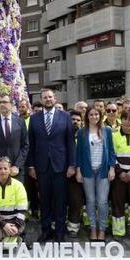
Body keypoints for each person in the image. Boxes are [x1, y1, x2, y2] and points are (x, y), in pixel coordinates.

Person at [27, 89, 76, 242]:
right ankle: (46, 230)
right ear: (41, 100)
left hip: (61, 166)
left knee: (60, 200)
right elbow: (31, 144)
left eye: (50, 97)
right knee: (45, 201)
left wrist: (72, 165)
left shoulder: (65, 117)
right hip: (41, 167)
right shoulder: (34, 119)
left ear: (55, 98)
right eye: (45, 98)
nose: (48, 99)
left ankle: (60, 232)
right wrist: (31, 166)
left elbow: (70, 143)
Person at [76, 107, 116, 241]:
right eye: (91, 114)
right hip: (88, 171)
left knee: (103, 202)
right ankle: (93, 228)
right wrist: (78, 170)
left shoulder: (107, 131)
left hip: (103, 171)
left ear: (100, 116)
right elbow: (79, 153)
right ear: (87, 117)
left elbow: (111, 151)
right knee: (91, 201)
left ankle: (102, 229)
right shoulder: (82, 132)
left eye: (96, 114)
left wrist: (112, 168)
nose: (94, 117)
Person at [0, 95, 29, 182]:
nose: (2, 104)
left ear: (11, 105)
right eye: (0, 102)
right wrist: (0, 166)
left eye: (5, 102)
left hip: (16, 170)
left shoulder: (20, 121)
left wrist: (17, 165)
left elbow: (25, 145)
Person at [66, 111, 86, 236]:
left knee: (76, 201)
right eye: (73, 119)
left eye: (78, 120)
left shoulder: (85, 136)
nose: (75, 122)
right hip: (64, 173)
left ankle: (73, 227)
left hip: (81, 174)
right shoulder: (62, 135)